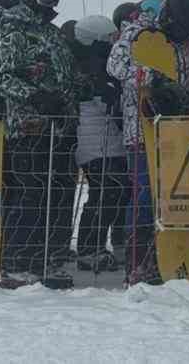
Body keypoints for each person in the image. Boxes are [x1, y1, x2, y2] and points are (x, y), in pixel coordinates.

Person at [107, 0, 189, 283]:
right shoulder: (136, 33)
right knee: (145, 196)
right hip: (141, 132)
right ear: (169, 17)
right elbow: (116, 66)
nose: (184, 34)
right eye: (181, 28)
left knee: (177, 199)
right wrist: (154, 79)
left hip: (178, 133)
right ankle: (139, 262)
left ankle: (174, 258)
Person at [0, 0, 79, 288]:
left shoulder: (50, 33)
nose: (51, 4)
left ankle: (41, 260)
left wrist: (76, 91)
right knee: (30, 193)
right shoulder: (15, 32)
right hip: (27, 127)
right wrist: (36, 96)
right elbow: (1, 77)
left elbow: (62, 76)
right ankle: (14, 262)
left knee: (50, 197)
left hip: (57, 128)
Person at [69, 15, 124, 274]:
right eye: (109, 39)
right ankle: (89, 249)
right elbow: (84, 94)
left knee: (113, 191)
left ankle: (97, 246)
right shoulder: (82, 66)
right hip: (92, 137)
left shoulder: (103, 64)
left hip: (108, 136)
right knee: (104, 191)